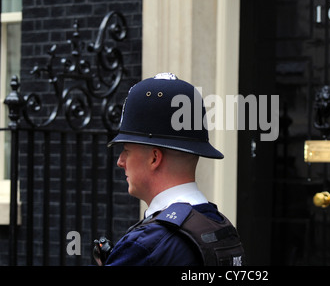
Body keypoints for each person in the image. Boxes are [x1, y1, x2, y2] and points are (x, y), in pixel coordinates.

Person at [94, 73, 244, 266]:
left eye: (127, 150)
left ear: (154, 158)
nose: (120, 161)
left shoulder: (145, 245)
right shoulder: (221, 227)